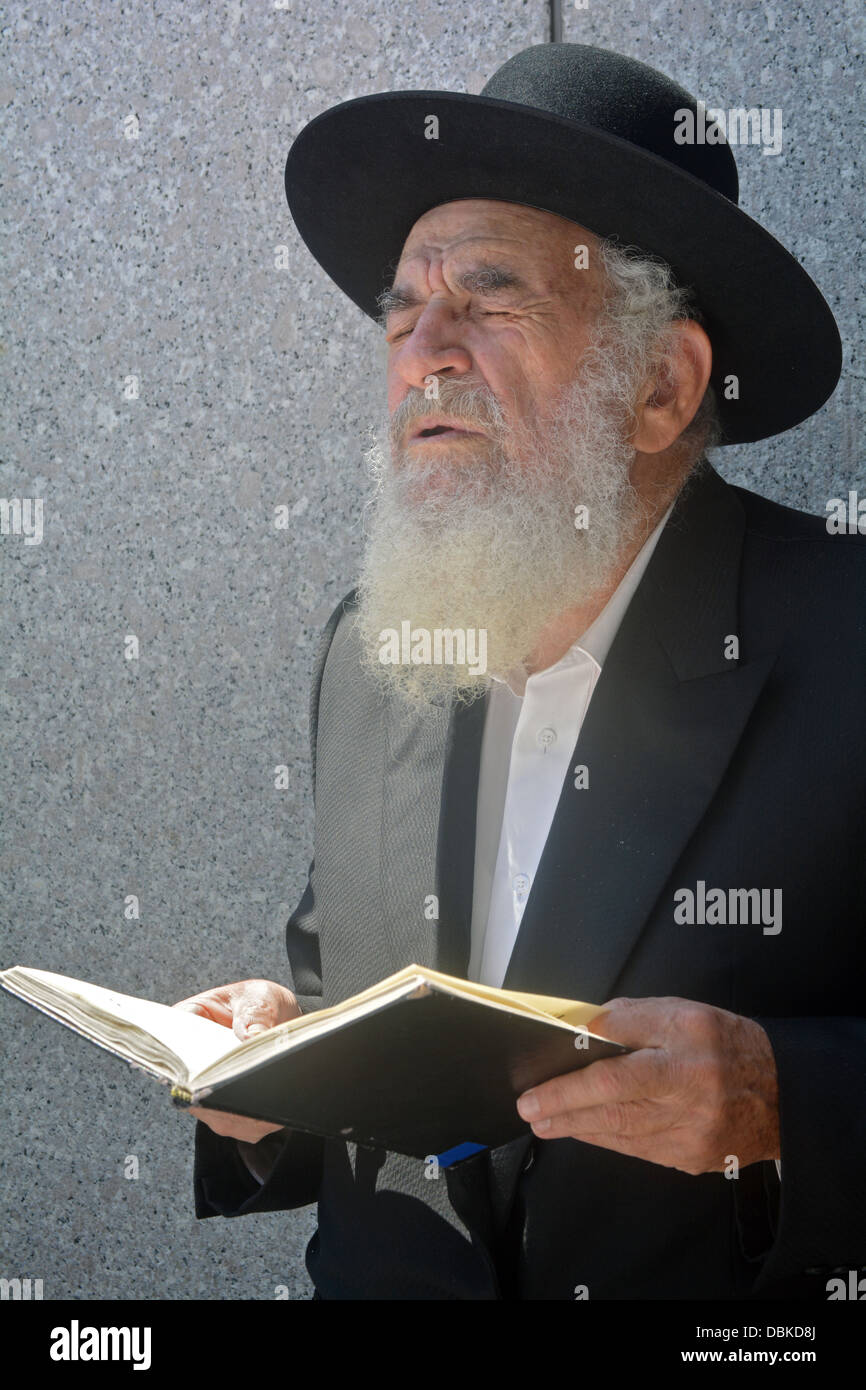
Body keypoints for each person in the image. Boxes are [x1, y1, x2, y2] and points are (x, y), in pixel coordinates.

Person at [175, 43, 865, 1299]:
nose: (420, 351)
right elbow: (352, 997)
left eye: (488, 301)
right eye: (402, 307)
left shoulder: (845, 635)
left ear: (659, 385)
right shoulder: (372, 647)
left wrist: (783, 1103)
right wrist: (270, 1075)